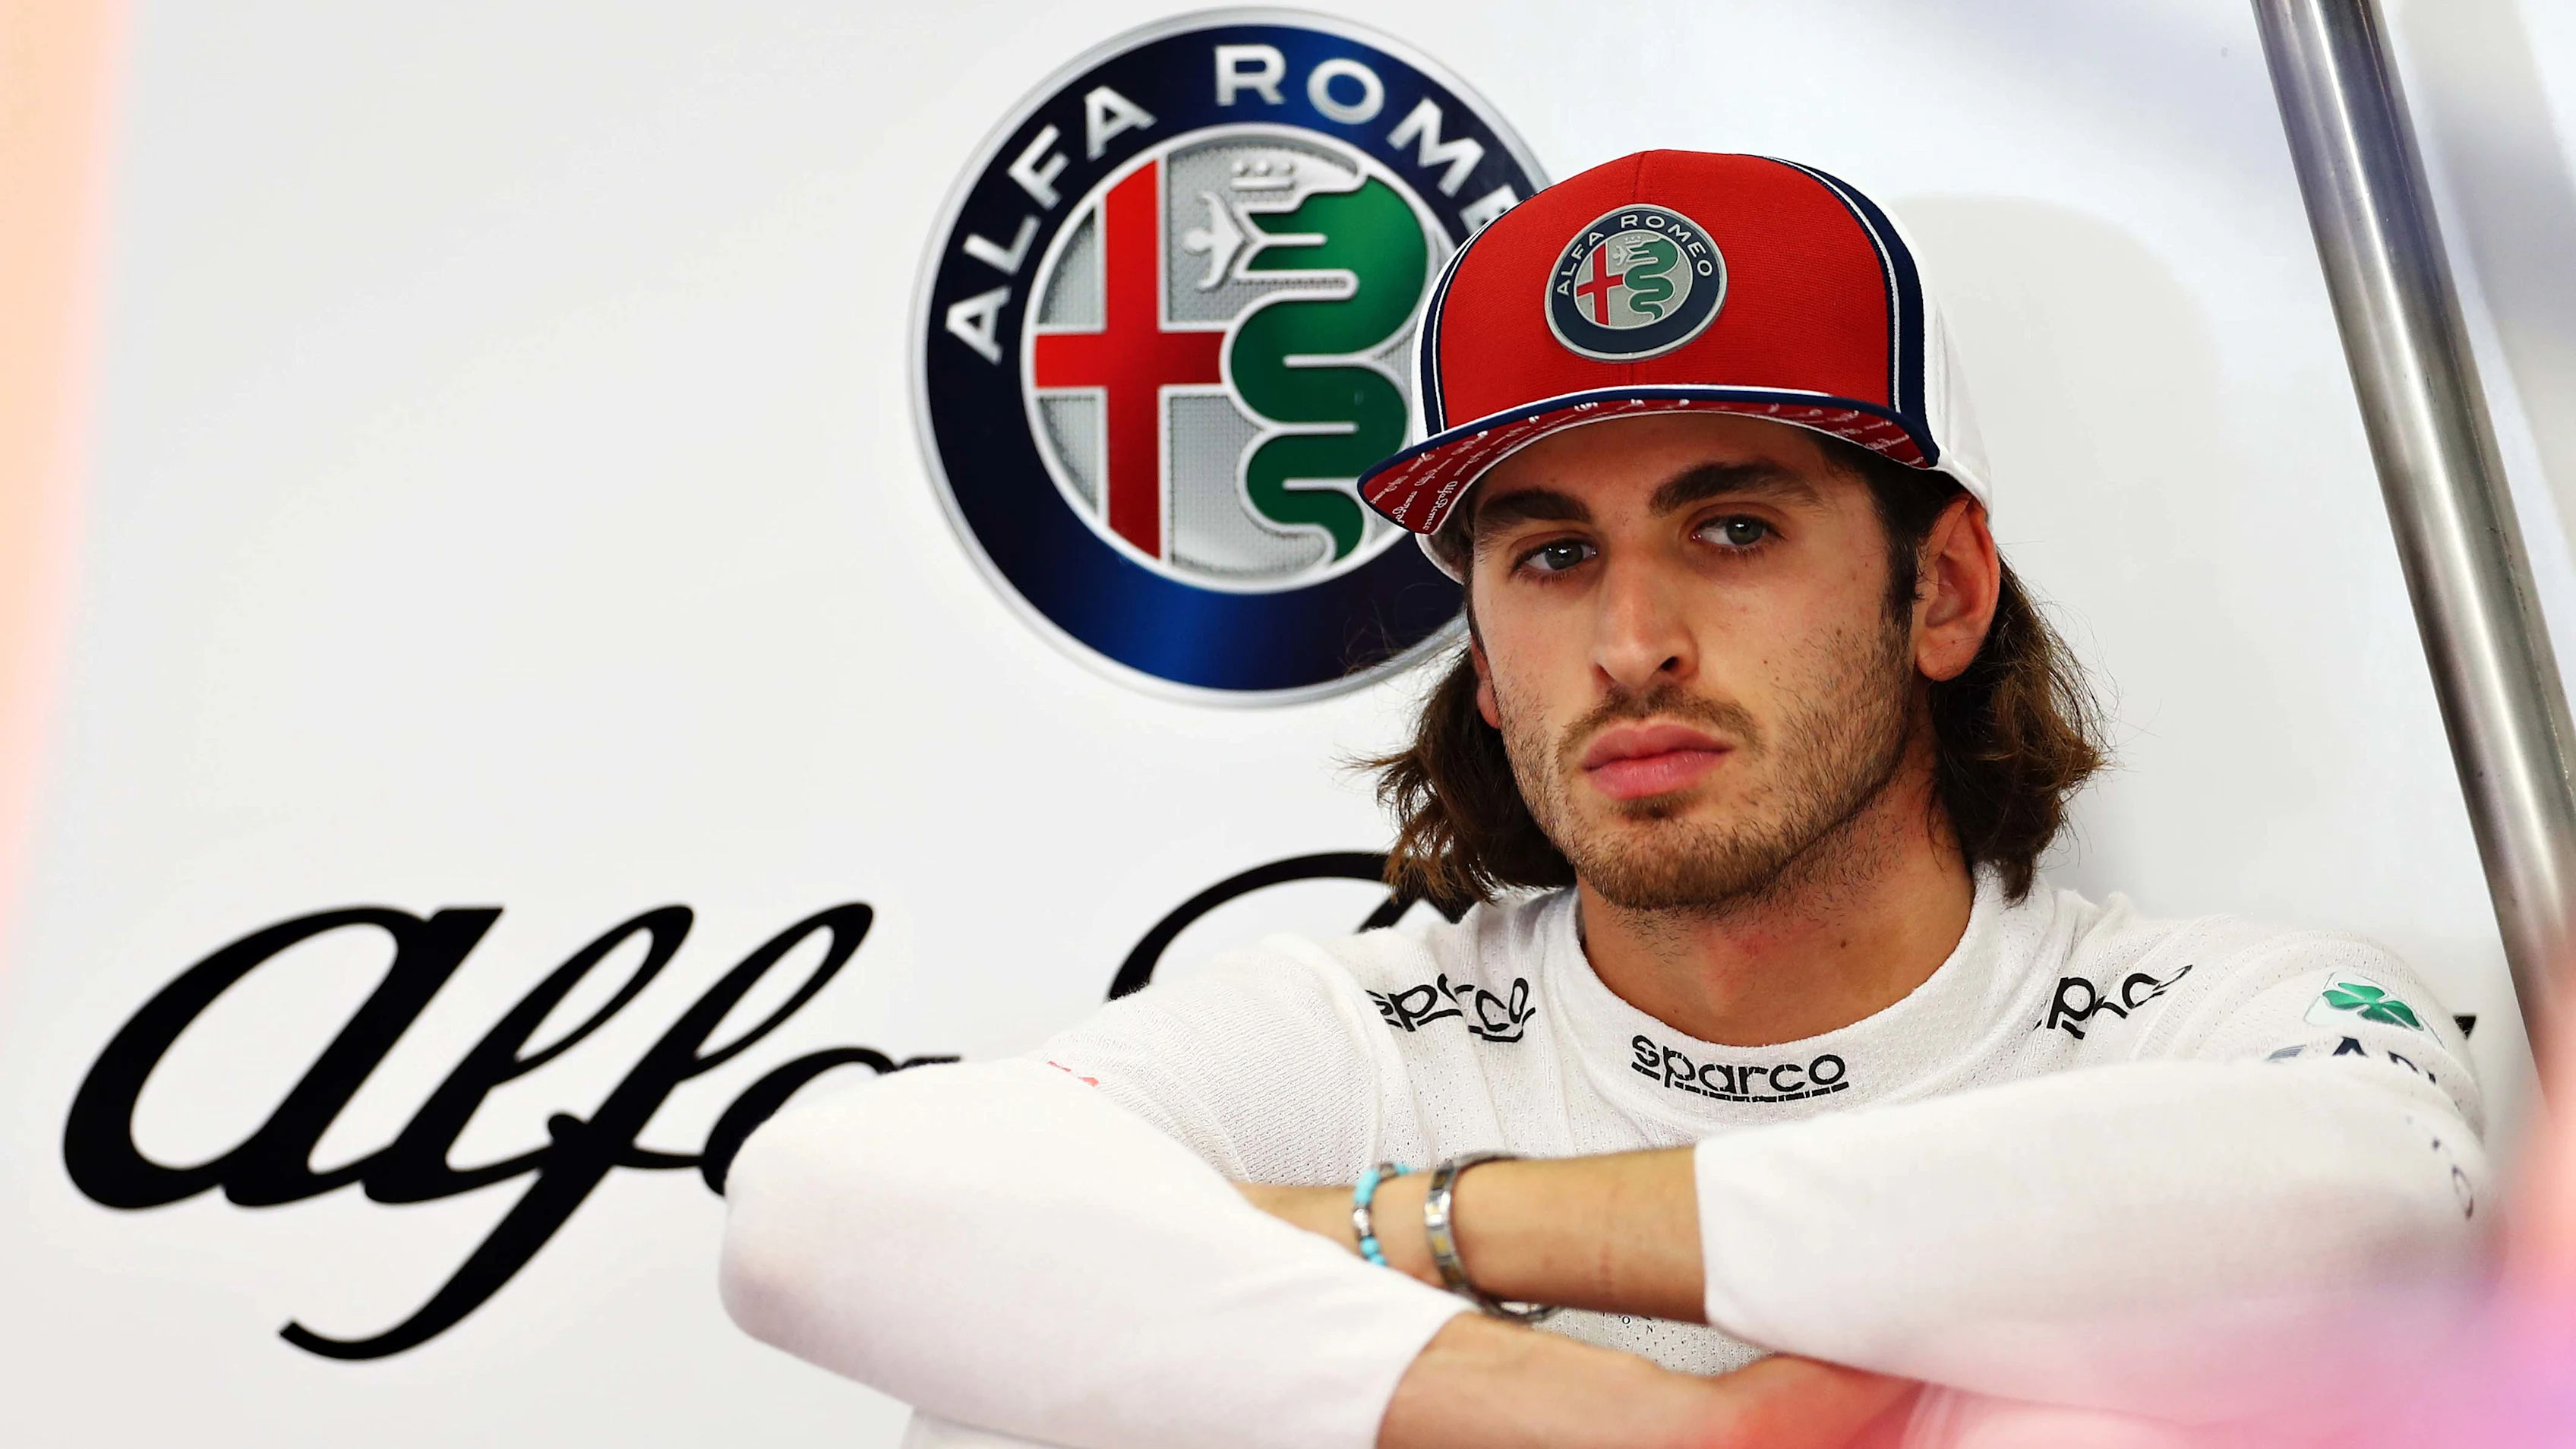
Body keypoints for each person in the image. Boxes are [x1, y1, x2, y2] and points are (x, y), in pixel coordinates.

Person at [715, 151, 2486, 1449]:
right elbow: (825, 1199)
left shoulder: (2210, 1013)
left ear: (1942, 590)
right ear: (1487, 665)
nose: (1631, 643)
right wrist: (1624, 1426)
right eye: (1552, 556)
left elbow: (2373, 1211)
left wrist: (1408, 1233)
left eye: (1732, 530)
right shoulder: (1373, 1038)